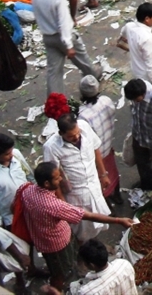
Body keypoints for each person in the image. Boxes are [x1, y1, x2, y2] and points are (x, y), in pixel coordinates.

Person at [17, 162, 132, 291]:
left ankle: (56, 274)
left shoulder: (27, 189)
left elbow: (14, 207)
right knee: (60, 273)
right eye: (56, 178)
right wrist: (118, 220)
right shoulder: (53, 205)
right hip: (56, 244)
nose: (61, 179)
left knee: (57, 264)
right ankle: (55, 289)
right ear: (46, 184)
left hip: (42, 239)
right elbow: (86, 215)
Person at [43, 113, 111, 242]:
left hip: (94, 185)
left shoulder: (84, 126)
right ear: (61, 133)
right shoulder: (51, 147)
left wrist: (103, 174)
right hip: (75, 194)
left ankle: (94, 244)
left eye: (77, 133)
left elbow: (96, 148)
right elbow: (53, 176)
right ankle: (83, 251)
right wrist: (62, 202)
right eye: (71, 136)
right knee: (81, 230)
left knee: (98, 222)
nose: (76, 137)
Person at [32, 0, 99, 96]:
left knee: (54, 71)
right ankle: (93, 77)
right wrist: (68, 46)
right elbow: (63, 21)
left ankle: (55, 101)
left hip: (48, 37)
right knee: (82, 59)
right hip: (63, 36)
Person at [76, 76, 119, 205]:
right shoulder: (106, 101)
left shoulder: (82, 115)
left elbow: (88, 140)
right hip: (108, 144)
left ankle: (105, 202)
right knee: (113, 172)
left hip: (98, 154)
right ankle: (117, 196)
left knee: (102, 177)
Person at [0, 133, 33, 229]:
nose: (11, 155)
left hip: (31, 204)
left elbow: (28, 173)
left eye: (11, 151)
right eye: (7, 154)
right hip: (12, 217)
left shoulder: (16, 154)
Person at [61, 239, 138, 295]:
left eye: (84, 262)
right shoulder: (124, 264)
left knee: (73, 287)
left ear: (91, 265)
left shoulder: (88, 291)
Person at [116, 3, 152, 91]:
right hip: (148, 74)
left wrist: (126, 40)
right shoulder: (147, 39)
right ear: (146, 19)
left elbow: (122, 33)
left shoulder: (129, 26)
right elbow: (150, 65)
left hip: (137, 70)